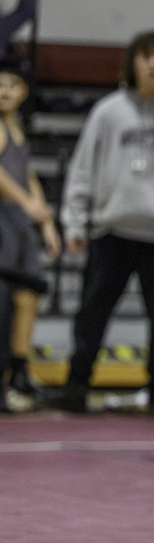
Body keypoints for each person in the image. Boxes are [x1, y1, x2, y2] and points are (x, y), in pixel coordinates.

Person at [52, 31, 154, 417]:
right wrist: (75, 222)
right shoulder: (109, 110)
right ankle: (76, 385)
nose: (152, 64)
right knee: (92, 314)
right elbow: (83, 169)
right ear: (132, 62)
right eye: (145, 57)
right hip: (111, 231)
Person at [0, 63, 56, 403]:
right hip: (3, 221)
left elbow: (28, 174)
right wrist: (26, 203)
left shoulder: (16, 128)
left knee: (27, 295)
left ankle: (19, 370)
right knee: (3, 304)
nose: (4, 90)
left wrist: (45, 220)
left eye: (12, 84)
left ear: (24, 93)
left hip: (18, 224)